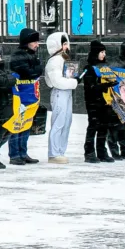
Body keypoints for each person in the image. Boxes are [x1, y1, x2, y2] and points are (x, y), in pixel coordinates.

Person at [7, 28, 42, 165]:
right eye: (34, 42)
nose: (37, 44)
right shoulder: (18, 55)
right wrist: (36, 68)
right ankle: (14, 154)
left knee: (26, 125)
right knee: (17, 125)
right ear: (27, 42)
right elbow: (29, 72)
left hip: (29, 96)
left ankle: (23, 152)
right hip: (20, 96)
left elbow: (36, 71)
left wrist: (36, 69)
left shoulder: (31, 55)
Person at [44, 32, 78, 164]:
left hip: (66, 91)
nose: (67, 46)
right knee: (59, 121)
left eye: (67, 43)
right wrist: (74, 83)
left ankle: (60, 151)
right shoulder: (55, 60)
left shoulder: (63, 59)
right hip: (59, 92)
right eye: (64, 44)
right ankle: (54, 152)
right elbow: (57, 81)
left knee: (66, 121)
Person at [82, 40, 118, 163]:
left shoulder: (105, 67)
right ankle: (89, 152)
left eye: (104, 52)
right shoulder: (89, 68)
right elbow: (90, 87)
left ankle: (102, 151)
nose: (103, 55)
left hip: (106, 102)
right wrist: (107, 85)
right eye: (101, 52)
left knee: (104, 127)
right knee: (93, 126)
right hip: (93, 102)